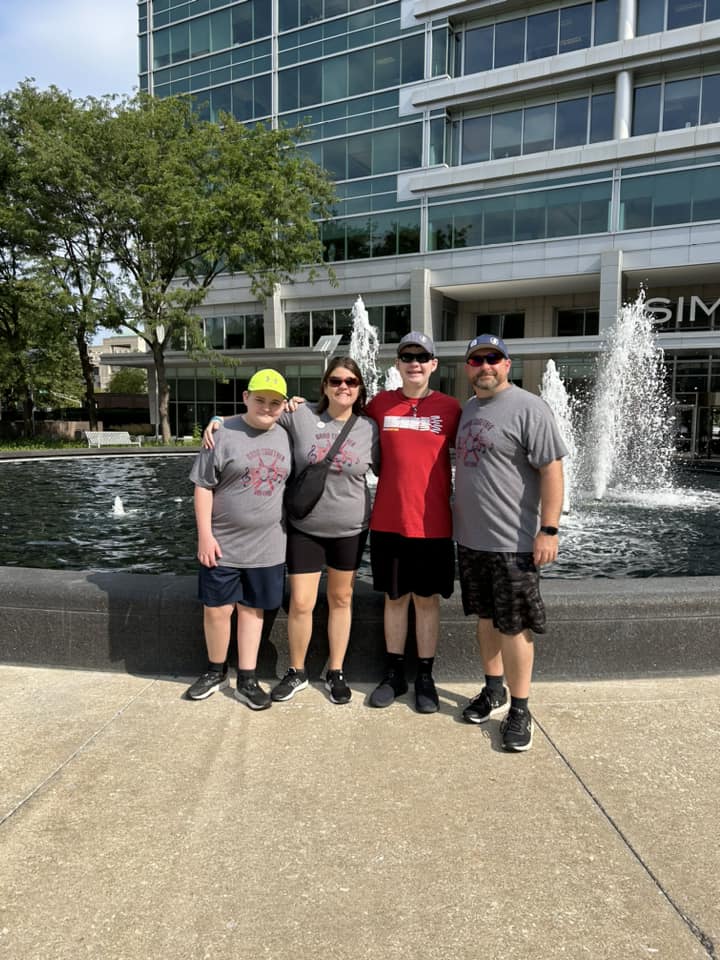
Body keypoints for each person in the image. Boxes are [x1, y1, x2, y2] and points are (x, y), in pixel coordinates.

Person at [203, 358, 379, 705]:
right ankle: (297, 670)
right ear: (325, 385)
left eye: (351, 382)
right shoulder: (300, 414)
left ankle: (336, 671)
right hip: (304, 527)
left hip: (350, 528)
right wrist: (217, 420)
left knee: (342, 598)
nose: (343, 387)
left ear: (360, 388)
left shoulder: (369, 428)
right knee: (301, 602)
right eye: (336, 380)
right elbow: (257, 416)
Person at [453, 334, 567, 751]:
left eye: (493, 358)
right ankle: (494, 688)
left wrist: (549, 529)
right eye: (477, 359)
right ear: (468, 367)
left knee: (514, 625)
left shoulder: (530, 407)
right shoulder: (469, 408)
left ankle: (521, 709)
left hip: (513, 542)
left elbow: (552, 470)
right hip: (470, 540)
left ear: (507, 363)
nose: (485, 365)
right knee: (485, 620)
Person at [365, 332, 462, 713]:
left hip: (434, 524)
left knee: (426, 602)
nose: (415, 362)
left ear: (434, 364)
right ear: (397, 363)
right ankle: (393, 673)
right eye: (407, 355)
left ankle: (424, 675)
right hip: (388, 521)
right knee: (394, 599)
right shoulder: (379, 405)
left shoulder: (451, 408)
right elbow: (333, 415)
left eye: (423, 356)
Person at [185, 369, 292, 709]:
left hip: (269, 545)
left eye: (275, 402)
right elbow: (203, 486)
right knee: (217, 610)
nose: (267, 407)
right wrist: (205, 535)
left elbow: (327, 410)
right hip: (223, 544)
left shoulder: (288, 432)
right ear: (245, 397)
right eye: (259, 399)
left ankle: (247, 677)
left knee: (253, 611)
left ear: (284, 405)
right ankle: (216, 671)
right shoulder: (222, 434)